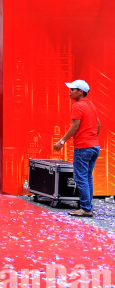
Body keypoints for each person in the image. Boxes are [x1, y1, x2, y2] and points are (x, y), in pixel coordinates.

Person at [54, 79, 100, 217]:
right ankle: (87, 206)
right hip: (94, 146)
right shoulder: (91, 105)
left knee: (80, 178)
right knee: (87, 177)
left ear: (81, 92)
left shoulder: (77, 106)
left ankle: (85, 208)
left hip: (83, 147)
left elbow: (75, 126)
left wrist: (62, 141)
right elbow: (98, 125)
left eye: (72, 89)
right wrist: (92, 137)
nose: (70, 92)